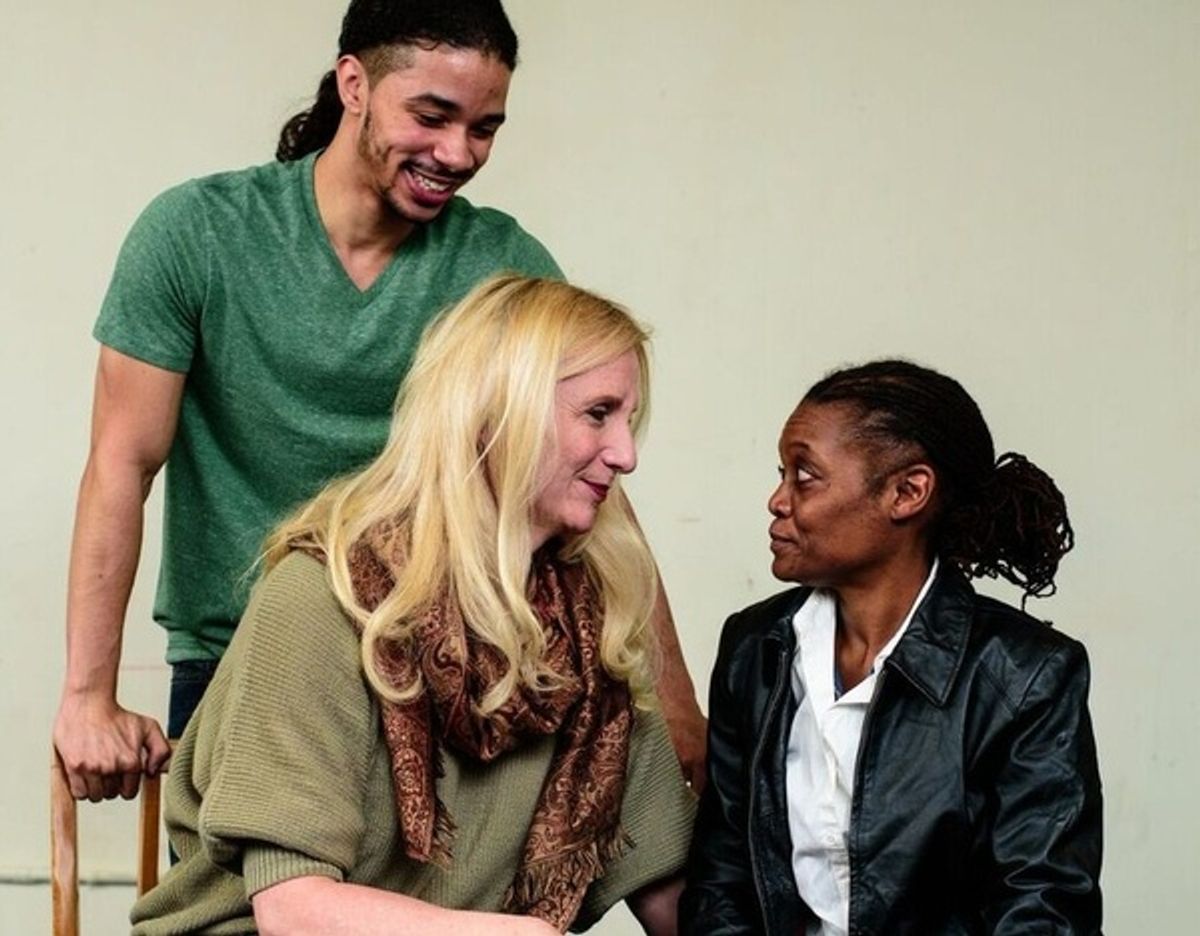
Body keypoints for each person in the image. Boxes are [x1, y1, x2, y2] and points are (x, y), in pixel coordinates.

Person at [54, 0, 706, 803]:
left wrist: (674, 705)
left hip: (441, 666)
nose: (458, 152)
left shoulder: (501, 261)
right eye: (432, 116)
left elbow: (591, 481)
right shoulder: (196, 233)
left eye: (485, 128)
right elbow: (121, 463)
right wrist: (88, 697)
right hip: (239, 661)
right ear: (354, 84)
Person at [130, 275, 695, 935]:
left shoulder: (587, 621)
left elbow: (674, 893)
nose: (625, 454)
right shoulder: (321, 597)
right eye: (598, 414)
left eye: (629, 421)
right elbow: (293, 911)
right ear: (498, 410)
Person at [680, 360, 1102, 935]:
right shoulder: (756, 650)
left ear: (907, 493)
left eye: (805, 476)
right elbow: (721, 881)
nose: (777, 501)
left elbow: (1042, 911)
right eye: (781, 473)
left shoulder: (1025, 675)